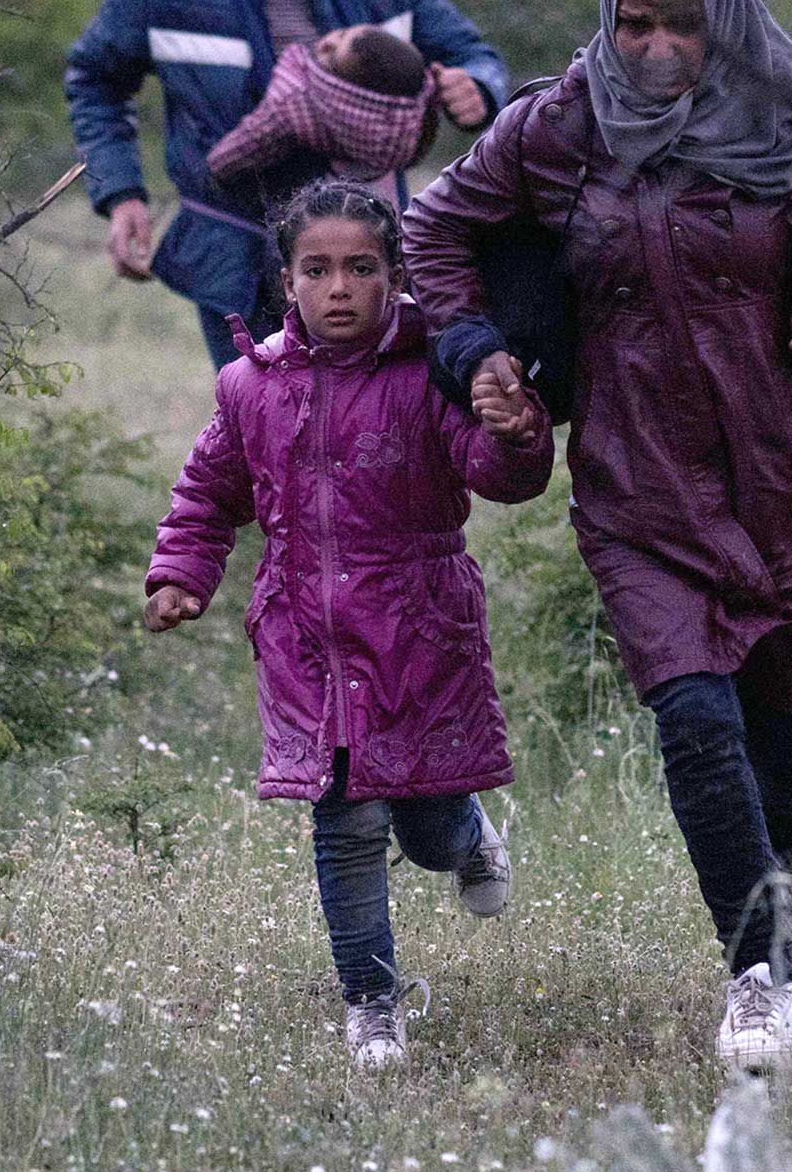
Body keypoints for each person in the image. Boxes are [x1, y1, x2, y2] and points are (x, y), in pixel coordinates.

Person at [401, 0, 792, 1071]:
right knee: (695, 724)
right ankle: (757, 975)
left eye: (681, 27)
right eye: (633, 24)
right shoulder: (555, 126)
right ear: (606, 16)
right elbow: (433, 228)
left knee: (787, 726)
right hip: (635, 478)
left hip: (779, 467)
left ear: (724, 21)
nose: (654, 50)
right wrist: (473, 353)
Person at [142, 179, 554, 1070]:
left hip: (419, 630)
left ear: (397, 275)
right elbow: (209, 494)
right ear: (285, 281)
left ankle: (468, 833)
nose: (339, 289)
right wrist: (181, 572)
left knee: (423, 826)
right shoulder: (249, 385)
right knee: (346, 822)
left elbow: (495, 473)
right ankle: (372, 1003)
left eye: (361, 269)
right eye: (317, 269)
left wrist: (517, 430)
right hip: (304, 636)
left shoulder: (433, 370)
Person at [64, 0, 509, 371]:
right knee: (266, 435)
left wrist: (476, 89)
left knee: (385, 431)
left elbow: (473, 54)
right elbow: (95, 82)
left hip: (370, 250)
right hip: (233, 254)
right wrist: (120, 193)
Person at [205, 25, 441, 204]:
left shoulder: (291, 100)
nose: (326, 40)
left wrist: (209, 176)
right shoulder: (400, 132)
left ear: (348, 100)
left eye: (333, 54)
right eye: (342, 33)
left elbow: (228, 158)